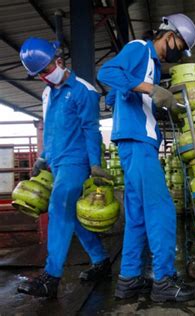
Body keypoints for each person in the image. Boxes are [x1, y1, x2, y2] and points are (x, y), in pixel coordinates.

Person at [97, 13, 195, 302]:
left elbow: (116, 96)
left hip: (136, 145)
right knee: (162, 210)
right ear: (170, 35)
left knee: (138, 217)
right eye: (180, 46)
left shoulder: (152, 65)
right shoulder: (140, 48)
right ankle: (164, 282)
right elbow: (107, 73)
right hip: (137, 144)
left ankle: (128, 281)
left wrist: (157, 101)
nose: (179, 53)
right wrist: (152, 90)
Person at [17, 37, 112, 298]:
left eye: (46, 70)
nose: (44, 77)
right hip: (57, 162)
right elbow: (52, 130)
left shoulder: (84, 90)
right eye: (39, 75)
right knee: (74, 218)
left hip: (76, 162)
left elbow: (91, 129)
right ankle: (101, 261)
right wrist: (42, 158)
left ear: (59, 61)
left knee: (58, 209)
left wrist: (94, 164)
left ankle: (51, 277)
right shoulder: (48, 92)